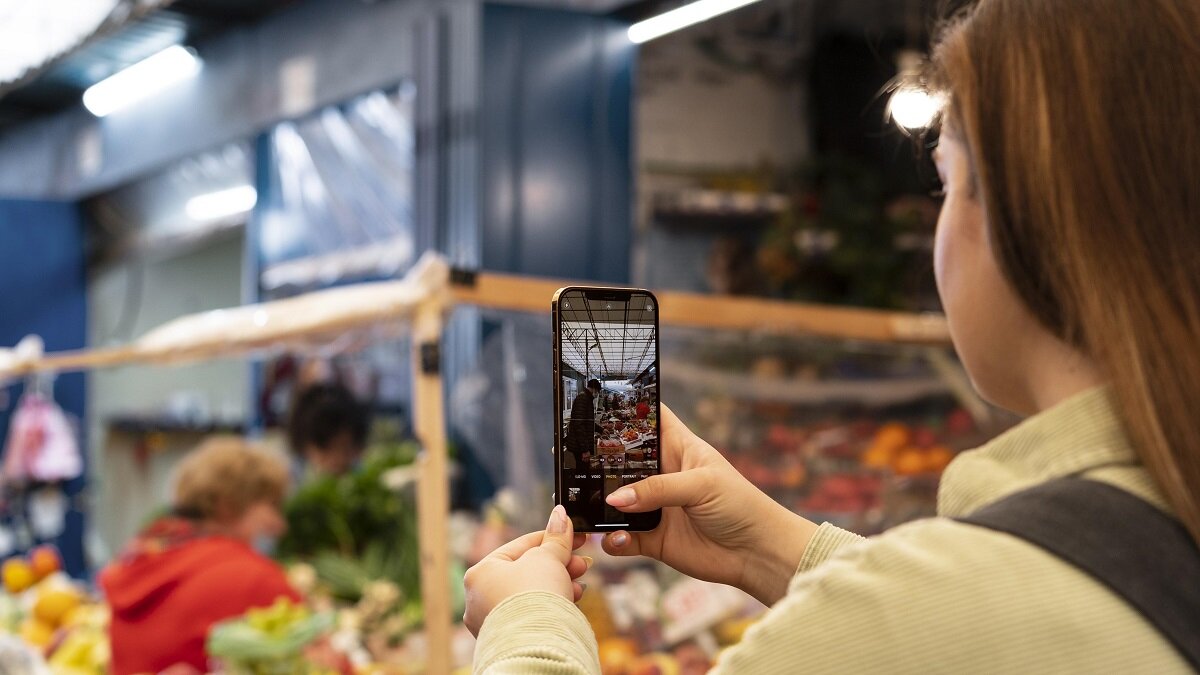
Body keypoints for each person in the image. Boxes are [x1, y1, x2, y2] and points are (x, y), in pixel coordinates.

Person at [463, 1, 1200, 672]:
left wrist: (525, 622)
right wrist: (772, 546)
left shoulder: (924, 612)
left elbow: (931, 622)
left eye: (944, 182)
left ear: (1020, 219)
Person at [100, 438, 299, 675]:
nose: (280, 525)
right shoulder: (250, 577)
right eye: (272, 506)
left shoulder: (141, 557)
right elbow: (320, 659)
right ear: (228, 505)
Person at [287, 382, 369, 476]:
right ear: (304, 446)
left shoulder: (365, 476)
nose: (337, 459)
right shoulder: (292, 480)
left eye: (345, 448)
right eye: (325, 449)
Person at [565, 379, 602, 469]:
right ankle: (581, 483)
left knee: (583, 471)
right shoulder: (583, 399)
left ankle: (583, 482)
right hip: (579, 446)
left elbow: (588, 422)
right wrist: (585, 450)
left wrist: (601, 430)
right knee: (582, 471)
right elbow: (579, 426)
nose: (596, 394)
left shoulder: (586, 398)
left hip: (580, 445)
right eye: (597, 391)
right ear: (593, 389)